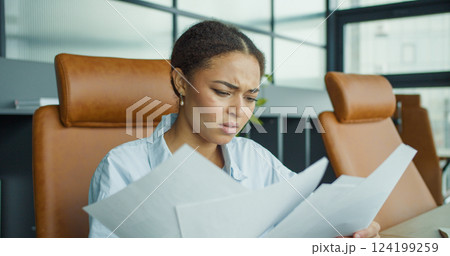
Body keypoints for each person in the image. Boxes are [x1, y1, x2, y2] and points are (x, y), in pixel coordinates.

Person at [88, 20, 380, 238]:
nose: (239, 110)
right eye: (223, 91)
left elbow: (317, 214)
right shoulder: (124, 167)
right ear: (180, 83)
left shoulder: (254, 158)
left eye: (250, 97)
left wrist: (354, 227)